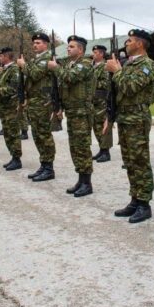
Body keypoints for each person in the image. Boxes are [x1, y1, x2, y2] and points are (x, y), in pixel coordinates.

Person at [107, 29, 154, 223]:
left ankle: (144, 203)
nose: (126, 44)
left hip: (137, 118)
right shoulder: (129, 64)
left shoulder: (147, 65)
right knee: (129, 160)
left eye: (129, 41)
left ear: (140, 44)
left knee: (140, 161)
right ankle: (135, 198)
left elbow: (130, 87)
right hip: (125, 117)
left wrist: (117, 71)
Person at [51, 35, 94, 195]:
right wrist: (60, 106)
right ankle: (80, 179)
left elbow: (70, 78)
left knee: (82, 147)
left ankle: (87, 183)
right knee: (74, 147)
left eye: (72, 46)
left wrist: (55, 68)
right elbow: (63, 88)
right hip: (72, 111)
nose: (68, 48)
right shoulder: (69, 64)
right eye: (68, 46)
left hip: (82, 112)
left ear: (81, 50)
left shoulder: (85, 64)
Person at [17, 33, 58, 182]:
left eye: (38, 42)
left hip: (43, 102)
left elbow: (34, 75)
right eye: (34, 43)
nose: (35, 45)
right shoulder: (36, 59)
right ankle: (44, 164)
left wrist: (23, 65)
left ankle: (49, 167)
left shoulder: (47, 59)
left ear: (46, 44)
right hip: (34, 102)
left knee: (44, 135)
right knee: (36, 134)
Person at [90, 44, 113, 163]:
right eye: (93, 52)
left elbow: (107, 84)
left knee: (103, 127)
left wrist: (94, 85)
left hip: (102, 102)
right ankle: (101, 149)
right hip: (94, 102)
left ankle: (106, 152)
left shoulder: (105, 67)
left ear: (101, 54)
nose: (93, 54)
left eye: (95, 53)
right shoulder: (93, 67)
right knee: (96, 127)